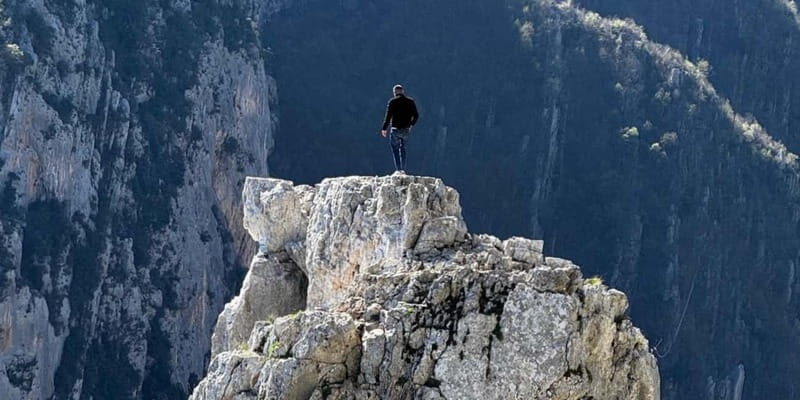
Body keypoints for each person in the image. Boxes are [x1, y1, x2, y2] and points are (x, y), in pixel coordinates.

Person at [381, 84, 419, 173]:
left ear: (394, 92)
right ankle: (403, 169)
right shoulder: (410, 101)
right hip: (406, 129)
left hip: (395, 129)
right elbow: (416, 115)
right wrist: (411, 125)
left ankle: (398, 169)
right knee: (403, 148)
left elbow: (388, 116)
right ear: (403, 91)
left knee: (395, 149)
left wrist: (384, 128)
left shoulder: (392, 102)